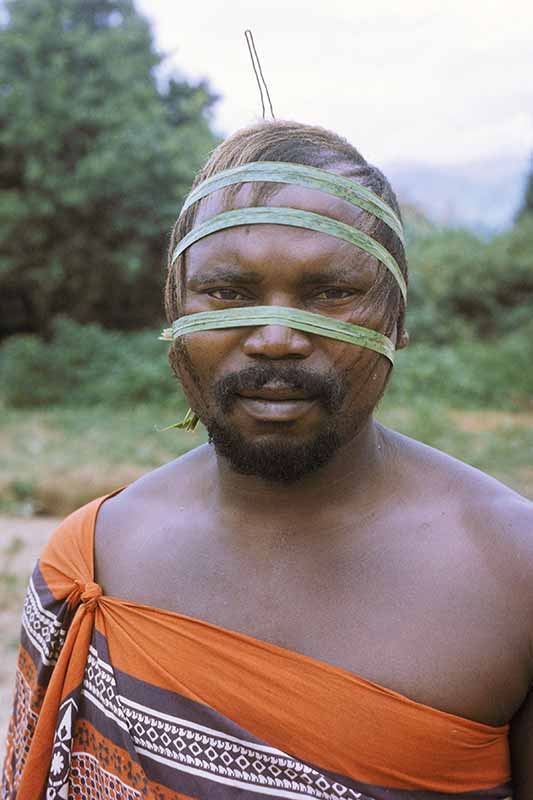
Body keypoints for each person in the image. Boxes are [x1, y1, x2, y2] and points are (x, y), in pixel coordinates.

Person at [2, 120, 532, 799]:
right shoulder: (92, 565)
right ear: (174, 309)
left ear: (397, 318)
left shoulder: (512, 571)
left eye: (330, 294)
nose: (277, 338)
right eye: (227, 294)